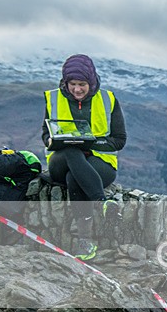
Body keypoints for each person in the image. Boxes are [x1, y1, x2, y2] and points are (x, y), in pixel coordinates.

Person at [41, 54, 126, 260]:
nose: (77, 89)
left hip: (100, 163)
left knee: (74, 178)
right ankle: (101, 202)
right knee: (71, 150)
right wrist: (57, 141)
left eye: (82, 84)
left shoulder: (108, 99)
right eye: (72, 84)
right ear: (65, 82)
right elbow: (45, 135)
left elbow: (120, 140)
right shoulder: (53, 98)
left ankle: (85, 241)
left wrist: (91, 143)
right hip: (61, 162)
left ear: (92, 81)